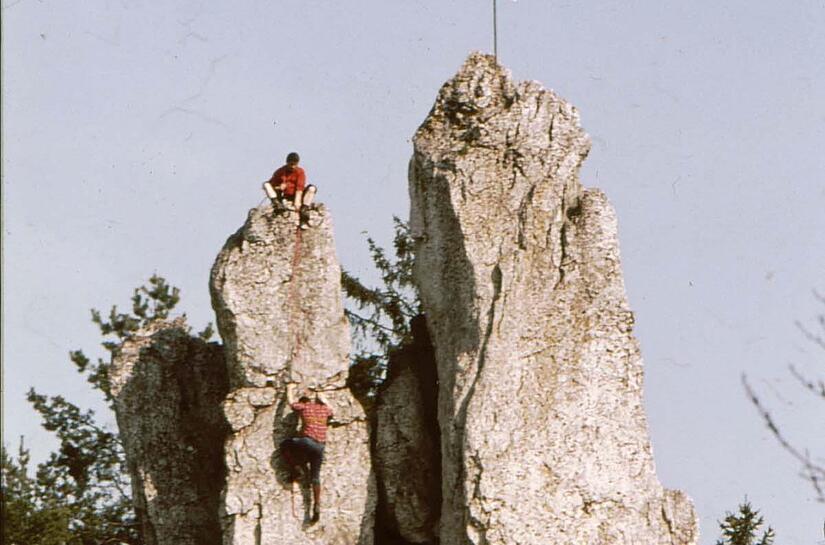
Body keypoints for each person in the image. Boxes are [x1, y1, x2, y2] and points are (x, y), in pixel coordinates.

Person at [280, 383, 333, 522]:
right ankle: (317, 505)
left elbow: (291, 403)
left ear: (303, 402)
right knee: (315, 477)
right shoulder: (324, 409)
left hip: (306, 442)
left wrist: (289, 389)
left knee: (285, 445)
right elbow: (332, 410)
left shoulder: (304, 407)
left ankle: (296, 470)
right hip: (320, 447)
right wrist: (324, 398)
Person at [263, 152, 317, 229]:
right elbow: (271, 184)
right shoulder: (280, 172)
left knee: (312, 188)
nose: (293, 166)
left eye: (295, 164)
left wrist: (297, 202)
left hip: (298, 196)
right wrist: (279, 187)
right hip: (284, 196)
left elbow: (300, 187)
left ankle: (304, 210)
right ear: (287, 163)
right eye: (291, 164)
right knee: (265, 184)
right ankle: (277, 205)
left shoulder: (300, 171)